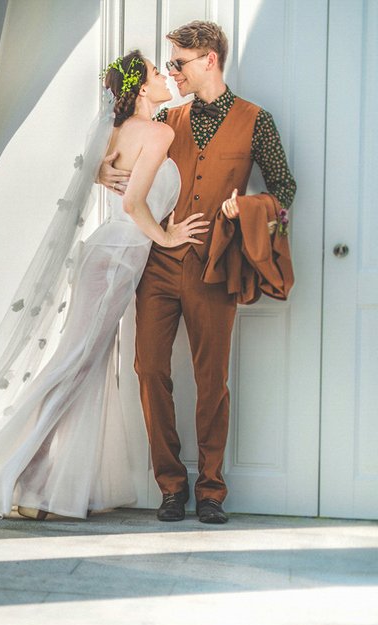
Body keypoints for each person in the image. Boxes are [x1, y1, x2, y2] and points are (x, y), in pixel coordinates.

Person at [0, 51, 208, 522]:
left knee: (79, 370)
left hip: (106, 258)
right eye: (155, 73)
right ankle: (14, 477)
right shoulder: (159, 132)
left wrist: (105, 172)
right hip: (118, 260)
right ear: (142, 89)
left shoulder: (116, 132)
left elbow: (107, 177)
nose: (166, 76)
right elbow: (133, 206)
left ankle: (38, 487)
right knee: (74, 367)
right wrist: (167, 234)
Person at [99, 21, 297, 524]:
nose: (172, 72)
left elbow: (285, 191)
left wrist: (247, 208)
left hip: (215, 268)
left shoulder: (258, 121)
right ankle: (171, 485)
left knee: (212, 381)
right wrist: (102, 170)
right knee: (148, 369)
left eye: (179, 63)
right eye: (167, 65)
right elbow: (122, 162)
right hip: (158, 265)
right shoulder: (167, 119)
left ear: (209, 59)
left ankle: (211, 489)